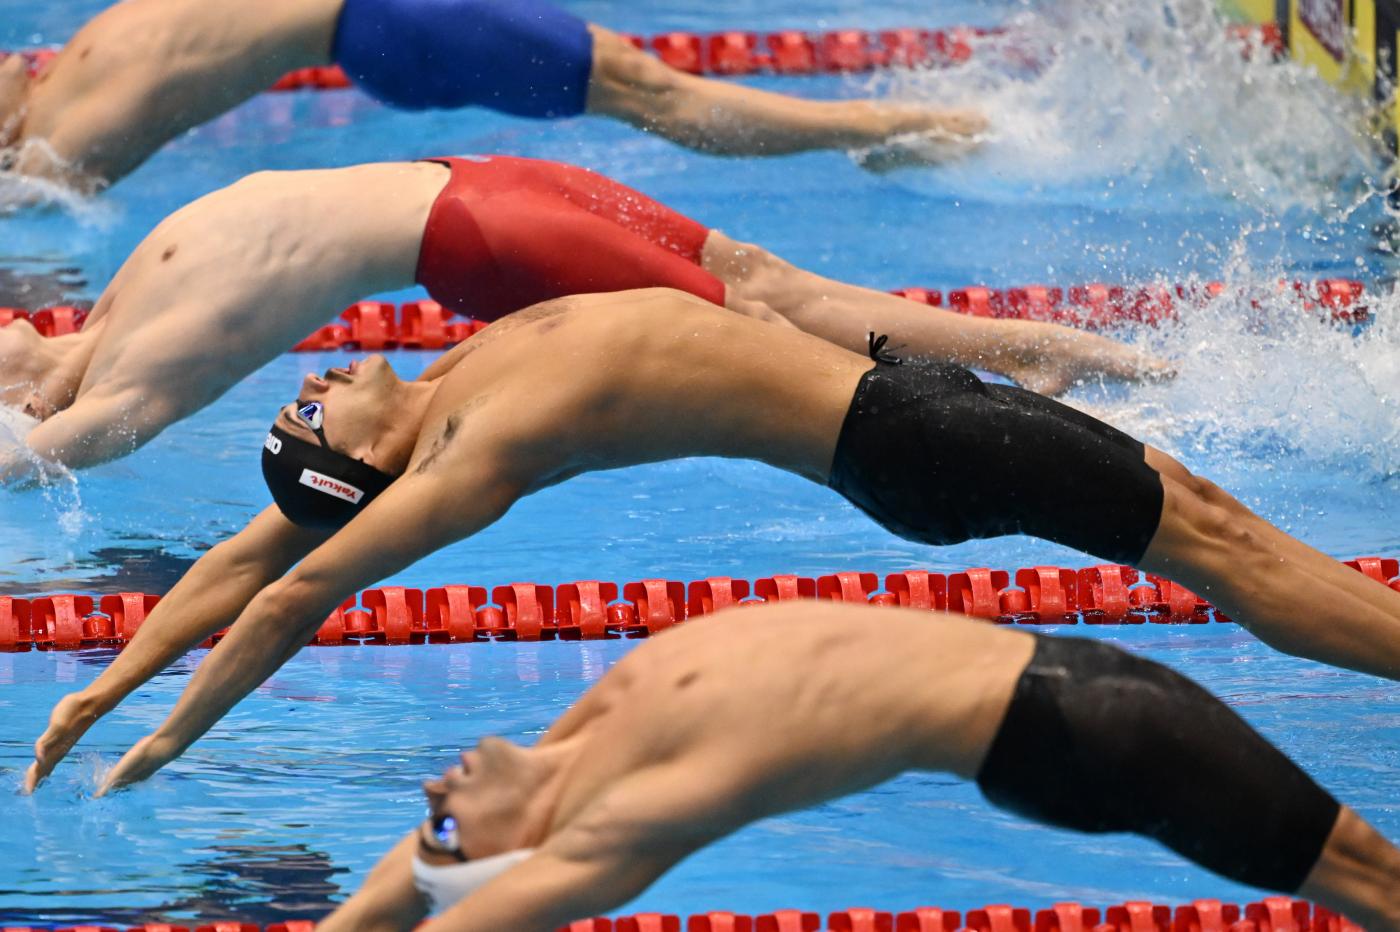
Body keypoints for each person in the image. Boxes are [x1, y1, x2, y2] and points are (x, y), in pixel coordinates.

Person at [29, 289, 1400, 794]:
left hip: (904, 408)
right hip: (912, 446)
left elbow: (245, 556)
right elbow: (293, 589)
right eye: (311, 416)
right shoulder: (468, 453)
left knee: (1225, 538)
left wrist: (99, 677)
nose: (313, 387)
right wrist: (156, 733)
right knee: (1222, 548)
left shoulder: (450, 379)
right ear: (365, 460)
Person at [0, 155, 1166, 479]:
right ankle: (1034, 394)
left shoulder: (99, 317)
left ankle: (1050, 356)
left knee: (766, 279)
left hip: (484, 182)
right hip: (482, 235)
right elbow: (49, 454)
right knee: (773, 328)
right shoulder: (135, 377)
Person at [313, 601, 1400, 932]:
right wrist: (460, 874)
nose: (426, 797)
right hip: (1074, 729)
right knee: (1368, 875)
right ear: (518, 850)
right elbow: (457, 912)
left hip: (1071, 684)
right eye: (448, 829)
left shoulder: (582, 730)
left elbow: (401, 887)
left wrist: (423, 870)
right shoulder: (627, 817)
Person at [0, 0, 986, 191]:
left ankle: (878, 128)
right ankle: (886, 124)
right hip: (405, 21)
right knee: (657, 97)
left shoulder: (65, 71)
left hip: (390, 25)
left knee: (652, 92)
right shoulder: (68, 127)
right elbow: (57, 199)